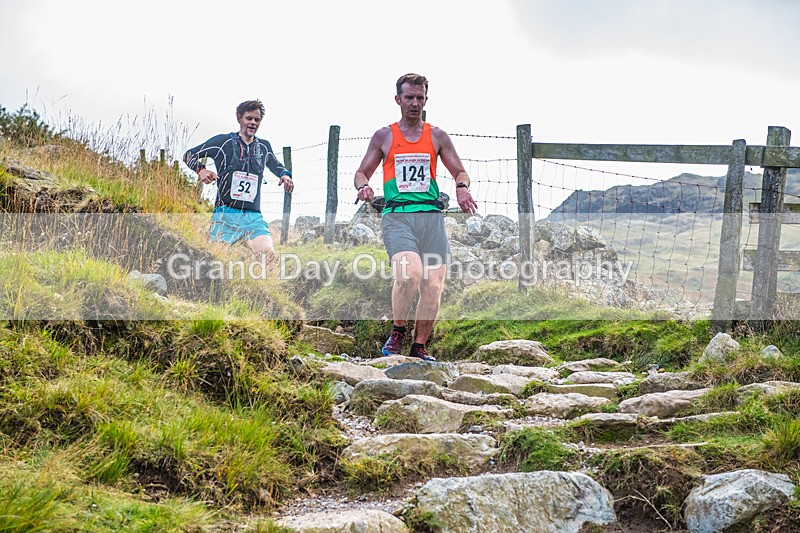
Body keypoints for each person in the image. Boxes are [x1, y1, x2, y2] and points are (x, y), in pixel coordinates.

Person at [354, 73, 477, 361]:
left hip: (431, 219)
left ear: (425, 100)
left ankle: (419, 347)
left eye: (419, 98)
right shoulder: (384, 136)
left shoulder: (437, 136)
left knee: (433, 284)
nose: (414, 103)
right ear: (398, 99)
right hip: (398, 217)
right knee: (410, 275)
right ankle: (397, 332)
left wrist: (461, 188)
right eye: (409, 97)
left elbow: (461, 171)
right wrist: (364, 186)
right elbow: (362, 172)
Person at [183, 100, 294, 262]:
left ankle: (259, 284)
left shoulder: (263, 147)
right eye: (249, 118)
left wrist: (284, 175)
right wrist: (201, 170)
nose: (253, 123)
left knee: (268, 254)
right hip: (226, 215)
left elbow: (275, 165)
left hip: (253, 216)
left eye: (257, 120)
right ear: (239, 119)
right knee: (216, 262)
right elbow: (189, 155)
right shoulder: (223, 142)